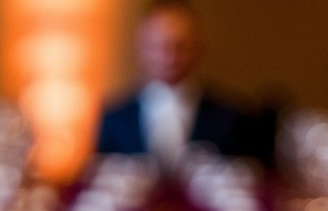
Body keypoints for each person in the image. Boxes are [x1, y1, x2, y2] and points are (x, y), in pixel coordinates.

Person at [96, 0, 255, 167]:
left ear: (198, 47)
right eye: (158, 46)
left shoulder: (232, 116)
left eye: (180, 46)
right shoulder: (114, 115)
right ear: (141, 47)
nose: (170, 57)